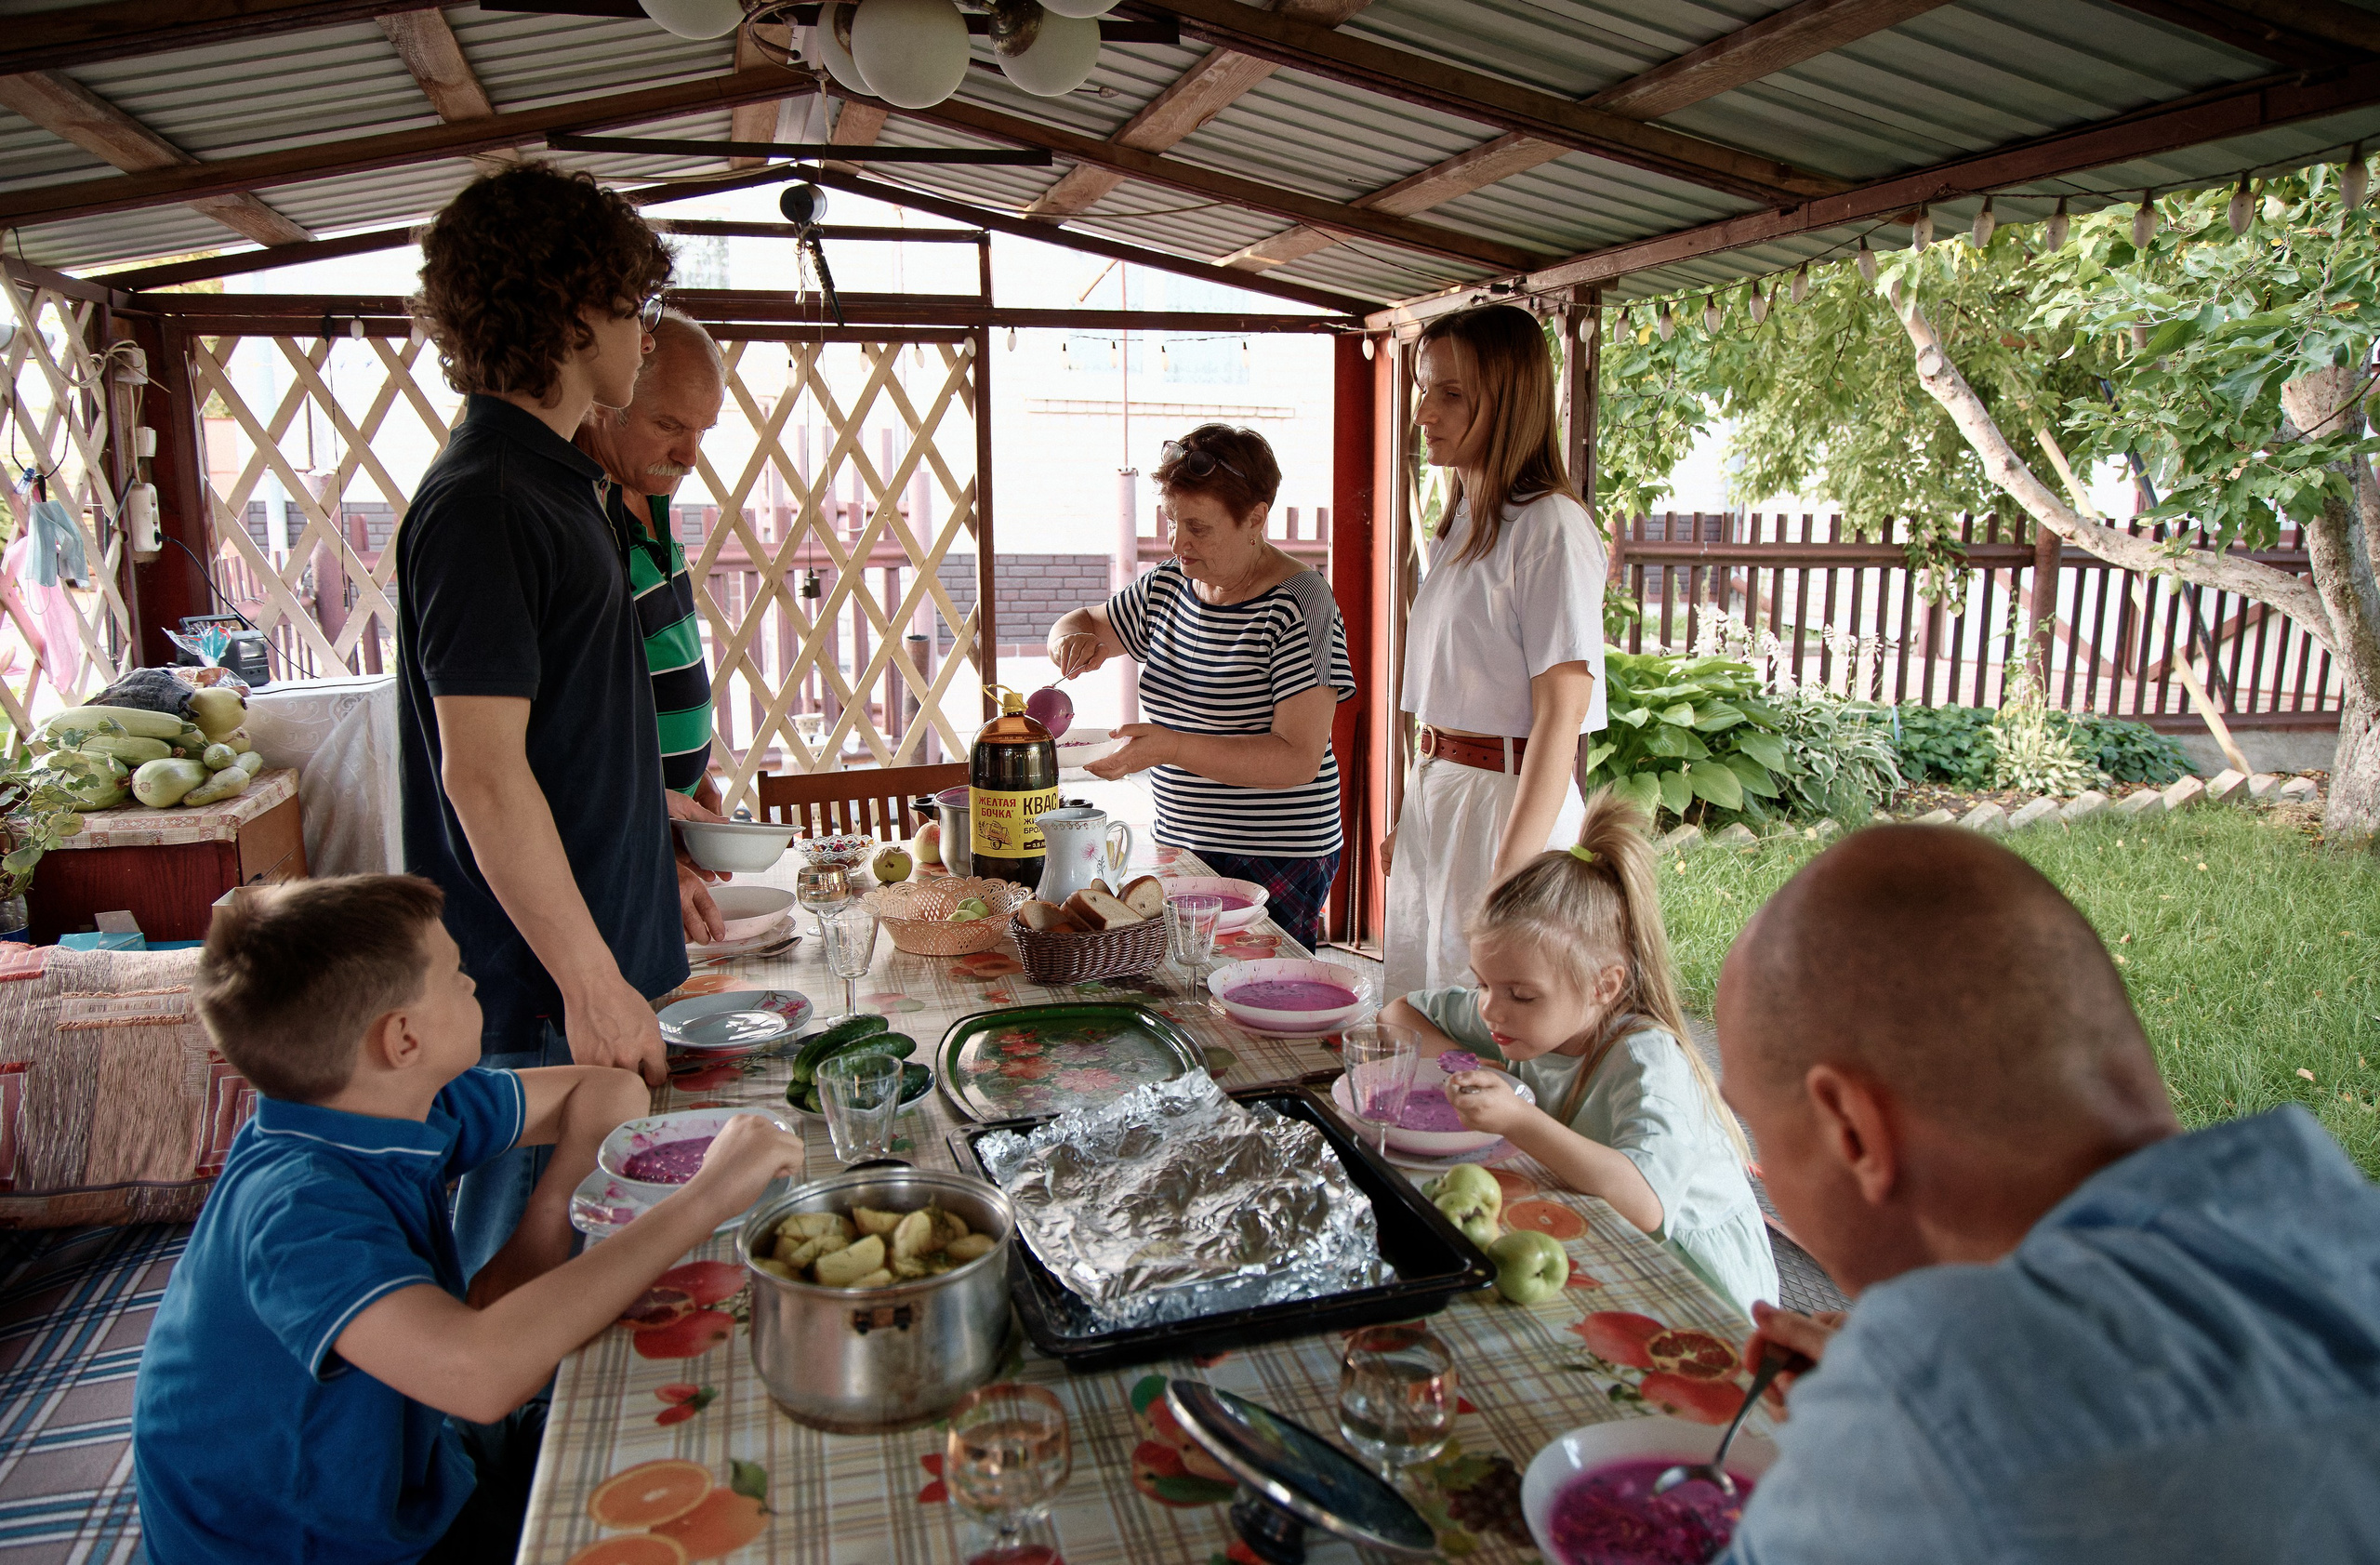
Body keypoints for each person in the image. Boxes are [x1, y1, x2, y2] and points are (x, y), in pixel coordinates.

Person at [1712, 826, 2380, 1562]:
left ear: (1854, 1131)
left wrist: (1897, 1407)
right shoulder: (2339, 1223)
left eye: (1756, 1129)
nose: (1758, 1161)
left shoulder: (1932, 1399)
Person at [131, 875, 806, 1565]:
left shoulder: (388, 1104)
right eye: (456, 975)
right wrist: (709, 1195)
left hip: (410, 1481)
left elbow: (608, 1087)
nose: (473, 982)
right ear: (401, 1038)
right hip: (311, 1544)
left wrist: (541, 1227)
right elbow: (480, 1379)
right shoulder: (293, 1209)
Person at [399, 163, 684, 1280]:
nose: (643, 339)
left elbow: (561, 735)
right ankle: (486, 1463)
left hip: (588, 977)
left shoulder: (557, 484)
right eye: (634, 310)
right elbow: (481, 776)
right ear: (573, 311)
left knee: (592, 1289)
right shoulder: (488, 501)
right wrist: (590, 980)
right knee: (527, 1294)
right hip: (533, 1004)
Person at [1382, 788, 1777, 1316]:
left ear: (1604, 986)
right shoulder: (1518, 1020)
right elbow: (1399, 1013)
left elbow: (1645, 1206)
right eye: (1482, 985)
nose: (1491, 1011)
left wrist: (1518, 1118)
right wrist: (1471, 1064)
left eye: (1520, 994)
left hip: (1697, 1287)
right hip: (1589, 1235)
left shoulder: (1645, 1060)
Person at [1046, 424, 1356, 948]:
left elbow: (1298, 759)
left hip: (1277, 851)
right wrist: (1068, 638)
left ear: (1256, 518)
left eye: (1198, 527)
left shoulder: (1301, 604)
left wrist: (1170, 747)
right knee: (1184, 983)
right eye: (1172, 522)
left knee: (1248, 991)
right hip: (1183, 843)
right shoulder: (1167, 587)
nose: (1177, 542)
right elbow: (1082, 623)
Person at [1382, 303, 1606, 996]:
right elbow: (1452, 691)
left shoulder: (1550, 527)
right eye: (1425, 388)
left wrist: (1511, 875)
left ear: (1510, 399)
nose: (1425, 413)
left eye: (1452, 394)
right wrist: (1411, 815)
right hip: (1446, 796)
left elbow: (1560, 716)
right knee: (1424, 1007)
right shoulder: (1466, 522)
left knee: (1489, 1028)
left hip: (1505, 809)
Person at [574, 309, 731, 944]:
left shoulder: (651, 496)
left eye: (703, 431)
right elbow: (570, 736)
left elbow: (655, 658)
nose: (690, 454)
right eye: (669, 424)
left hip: (658, 826)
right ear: (604, 401)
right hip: (608, 853)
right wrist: (644, 831)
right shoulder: (580, 521)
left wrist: (692, 780)